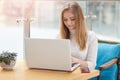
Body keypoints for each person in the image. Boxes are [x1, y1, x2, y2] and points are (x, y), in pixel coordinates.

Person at [59, 1, 98, 69]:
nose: (69, 23)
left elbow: (92, 65)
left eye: (72, 19)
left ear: (80, 18)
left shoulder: (91, 36)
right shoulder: (59, 36)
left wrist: (75, 61)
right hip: (63, 72)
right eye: (65, 20)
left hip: (81, 74)